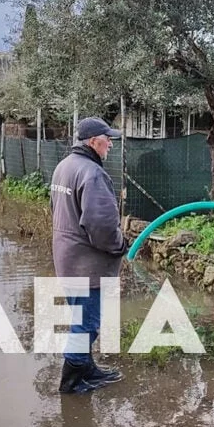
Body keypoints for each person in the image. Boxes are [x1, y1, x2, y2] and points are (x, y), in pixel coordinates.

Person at [52, 116, 128, 394]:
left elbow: (57, 211)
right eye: (107, 139)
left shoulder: (64, 166)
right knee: (87, 325)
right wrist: (120, 245)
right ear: (94, 142)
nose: (110, 144)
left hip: (67, 258)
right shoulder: (92, 173)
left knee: (81, 318)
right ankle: (71, 381)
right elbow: (102, 226)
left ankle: (87, 369)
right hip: (87, 265)